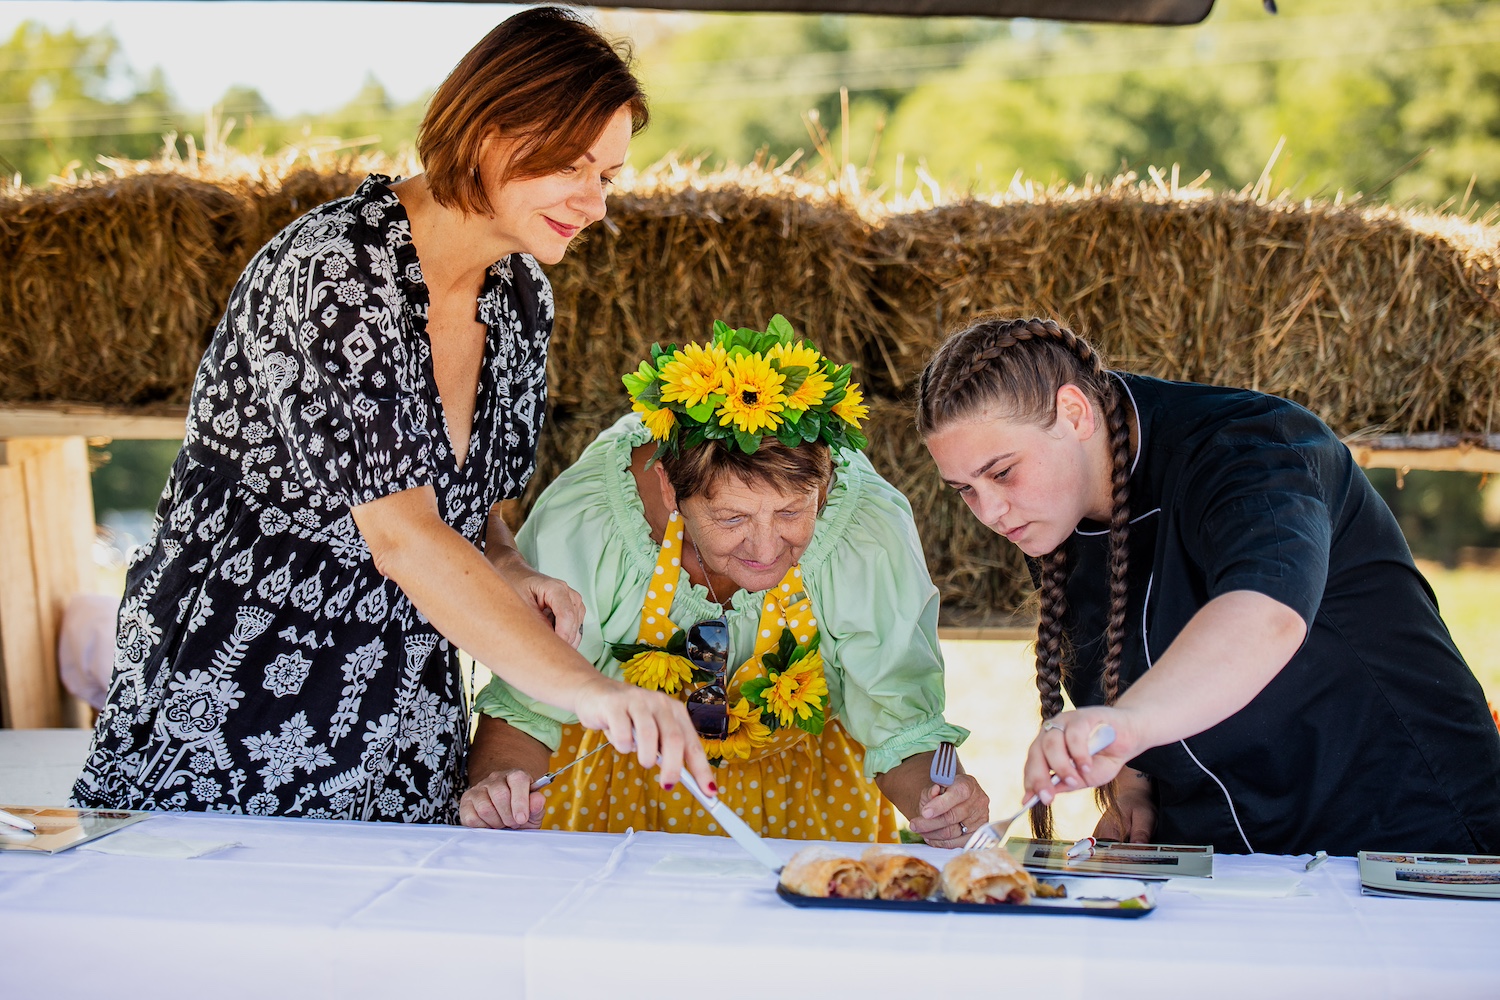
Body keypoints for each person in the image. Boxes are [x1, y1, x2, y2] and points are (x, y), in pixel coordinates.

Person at [71, 7, 712, 823]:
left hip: (404, 733)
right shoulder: (338, 269)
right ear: (490, 133)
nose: (596, 204)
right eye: (574, 168)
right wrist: (592, 692)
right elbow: (402, 532)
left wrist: (510, 568)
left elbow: (475, 510)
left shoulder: (521, 298)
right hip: (232, 719)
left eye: (609, 176)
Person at [916, 316, 1500, 856]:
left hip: (1403, 829)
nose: (988, 511)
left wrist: (1125, 727)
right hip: (1230, 856)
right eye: (963, 489)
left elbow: (1263, 617)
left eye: (1001, 472)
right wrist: (1135, 785)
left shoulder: (1251, 448)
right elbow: (1115, 669)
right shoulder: (1049, 510)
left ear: (1074, 413)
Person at [463, 316, 989, 847]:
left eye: (790, 513)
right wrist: (501, 786)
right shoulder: (593, 521)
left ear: (825, 482)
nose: (765, 550)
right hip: (619, 809)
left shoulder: (865, 535)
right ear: (669, 488)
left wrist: (941, 805)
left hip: (805, 805)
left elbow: (900, 724)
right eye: (732, 519)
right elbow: (526, 705)